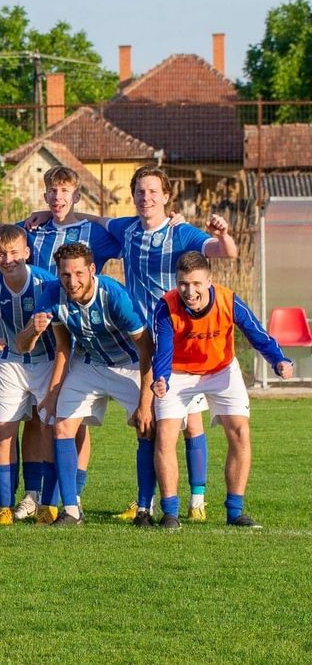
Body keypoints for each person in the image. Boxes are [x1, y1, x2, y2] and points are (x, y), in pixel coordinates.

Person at [80, 166, 239, 521]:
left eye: (153, 191)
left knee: (185, 421)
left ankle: (195, 501)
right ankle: (148, 503)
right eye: (139, 191)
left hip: (179, 338)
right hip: (142, 338)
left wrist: (224, 235)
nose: (145, 197)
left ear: (167, 196)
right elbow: (102, 219)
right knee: (155, 421)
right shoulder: (128, 229)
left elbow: (222, 251)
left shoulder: (180, 232)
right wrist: (50, 213)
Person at [151, 251, 294, 529]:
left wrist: (279, 360)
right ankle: (170, 513)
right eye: (183, 284)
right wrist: (161, 378)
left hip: (221, 370)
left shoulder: (228, 300)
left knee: (240, 431)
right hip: (179, 374)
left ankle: (235, 511)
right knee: (166, 434)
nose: (189, 291)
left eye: (196, 284)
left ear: (209, 281)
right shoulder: (166, 306)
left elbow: (257, 334)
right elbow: (163, 350)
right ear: (176, 282)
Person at [35, 243, 157, 527]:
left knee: (146, 427)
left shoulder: (114, 296)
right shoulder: (53, 294)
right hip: (88, 363)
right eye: (65, 274)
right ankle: (72, 510)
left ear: (92, 270)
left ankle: (144, 508)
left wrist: (145, 402)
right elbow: (63, 347)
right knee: (62, 426)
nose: (72, 281)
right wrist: (53, 393)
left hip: (128, 365)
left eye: (78, 273)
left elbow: (146, 349)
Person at [0, 225, 60, 524]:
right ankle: (5, 506)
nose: (8, 259)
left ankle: (44, 502)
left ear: (27, 253)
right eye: (1, 254)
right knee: (4, 430)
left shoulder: (47, 283)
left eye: (14, 253)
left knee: (47, 429)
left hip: (46, 361)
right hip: (9, 363)